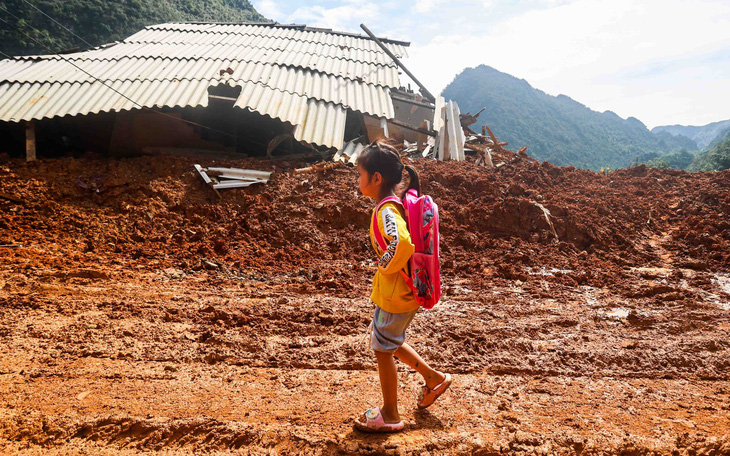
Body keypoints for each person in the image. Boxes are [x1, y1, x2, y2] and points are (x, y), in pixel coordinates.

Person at [353, 141, 452, 433]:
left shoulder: (385, 212)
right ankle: (434, 379)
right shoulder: (391, 206)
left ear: (376, 178)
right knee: (388, 340)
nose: (358, 181)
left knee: (383, 349)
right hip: (399, 293)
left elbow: (403, 244)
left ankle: (391, 414)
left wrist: (384, 265)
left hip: (398, 293)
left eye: (360, 174)